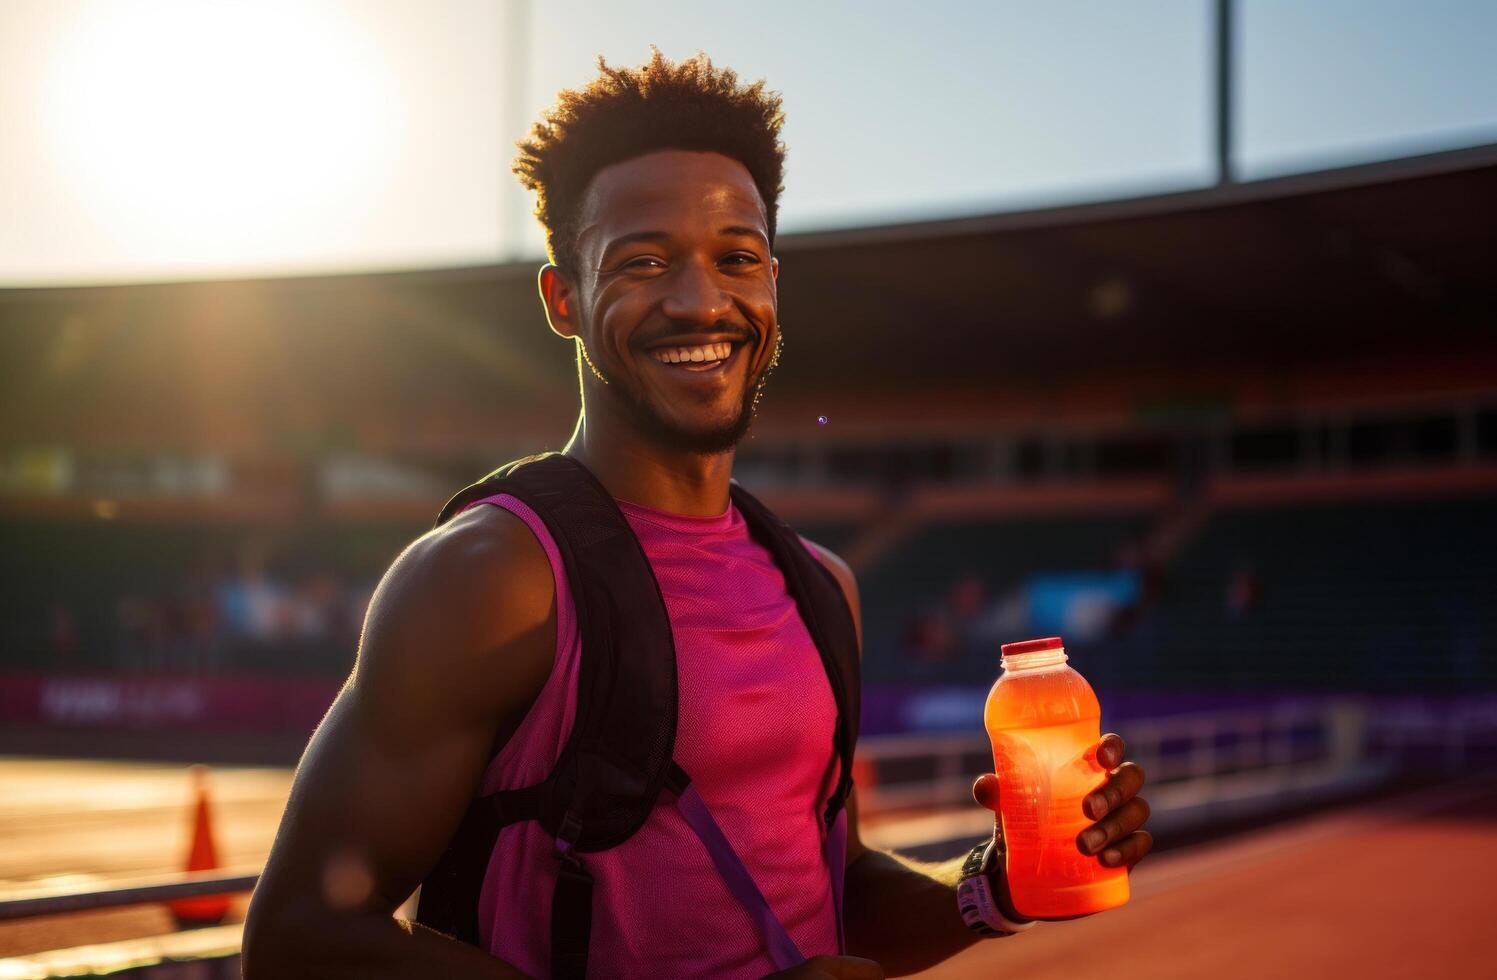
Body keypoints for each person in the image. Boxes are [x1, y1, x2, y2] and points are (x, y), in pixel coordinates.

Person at [243, 50, 1152, 979]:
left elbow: (832, 893)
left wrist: (995, 886)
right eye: (641, 261)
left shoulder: (819, 585)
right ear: (563, 299)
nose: (698, 300)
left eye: (736, 260)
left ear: (770, 286)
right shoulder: (491, 576)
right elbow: (302, 940)